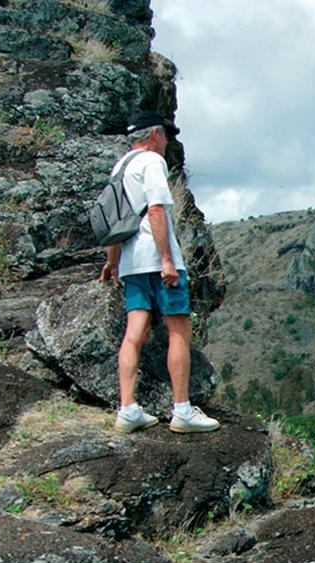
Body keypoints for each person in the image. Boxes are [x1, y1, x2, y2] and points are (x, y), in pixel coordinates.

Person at [99, 109, 219, 434]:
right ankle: (182, 409)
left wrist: (112, 262)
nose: (166, 141)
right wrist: (167, 259)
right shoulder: (152, 162)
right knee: (179, 328)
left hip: (130, 262)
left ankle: (128, 408)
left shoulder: (120, 167)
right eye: (165, 134)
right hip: (157, 259)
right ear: (154, 135)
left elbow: (116, 221)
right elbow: (155, 210)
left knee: (134, 331)